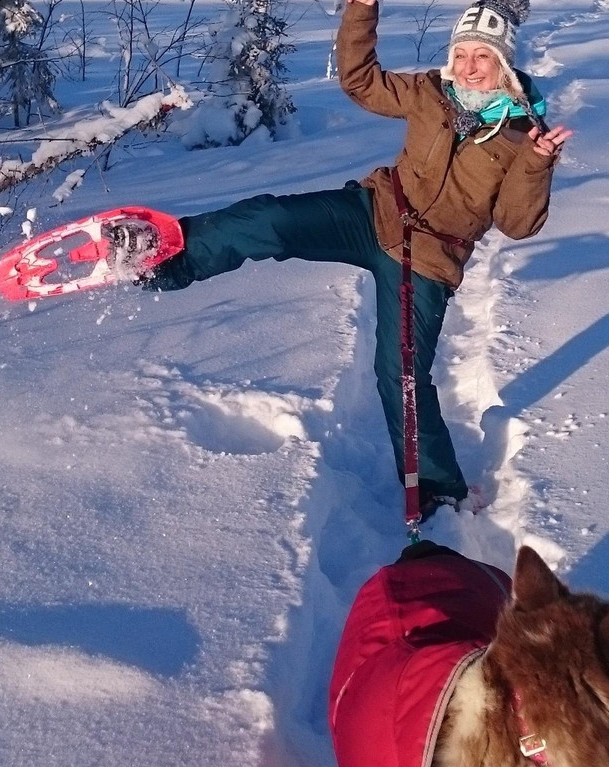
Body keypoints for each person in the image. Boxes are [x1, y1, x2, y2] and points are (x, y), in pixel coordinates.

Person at [131, 0, 572, 520]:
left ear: (504, 62)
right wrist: (362, 10)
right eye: (462, 52)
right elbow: (362, 82)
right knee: (272, 220)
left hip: (429, 256)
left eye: (483, 56)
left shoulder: (525, 134)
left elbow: (518, 224)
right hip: (376, 212)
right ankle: (168, 256)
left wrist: (537, 166)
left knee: (402, 375)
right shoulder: (431, 91)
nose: (470, 65)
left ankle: (439, 490)